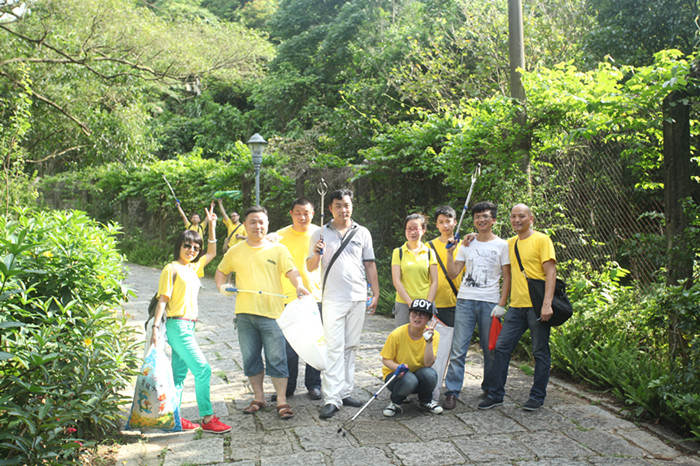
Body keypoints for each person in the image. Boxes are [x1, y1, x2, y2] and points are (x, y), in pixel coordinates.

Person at [215, 206, 310, 420]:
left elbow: (292, 271)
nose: (257, 226)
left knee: (277, 358)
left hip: (273, 315)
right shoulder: (235, 250)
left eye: (261, 222)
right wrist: (222, 287)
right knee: (250, 358)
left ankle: (282, 400)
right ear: (245, 225)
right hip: (244, 315)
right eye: (252, 222)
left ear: (267, 224)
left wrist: (299, 285)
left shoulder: (278, 249)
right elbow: (220, 271)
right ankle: (258, 397)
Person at [150, 206, 231, 433]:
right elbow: (163, 299)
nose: (192, 250)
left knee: (178, 376)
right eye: (187, 245)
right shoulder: (171, 268)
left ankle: (173, 418)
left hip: (189, 325)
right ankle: (207, 418)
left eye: (196, 247)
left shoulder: (194, 268)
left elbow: (212, 253)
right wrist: (155, 327)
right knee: (203, 369)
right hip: (178, 325)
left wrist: (212, 226)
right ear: (179, 246)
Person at [307, 189, 379, 420]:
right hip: (332, 299)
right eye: (338, 205)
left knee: (351, 346)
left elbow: (370, 264)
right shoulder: (319, 234)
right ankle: (331, 397)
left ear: (352, 206)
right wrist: (317, 254)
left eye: (346, 205)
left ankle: (345, 391)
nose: (343, 210)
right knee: (334, 347)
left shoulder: (362, 232)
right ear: (330, 208)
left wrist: (375, 292)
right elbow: (310, 266)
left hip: (357, 296)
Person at [477, 203, 556, 412]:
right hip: (516, 307)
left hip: (537, 306)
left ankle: (537, 396)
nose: (517, 220)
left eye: (521, 216)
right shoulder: (509, 244)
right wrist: (472, 236)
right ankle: (496, 394)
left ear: (531, 219)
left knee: (540, 351)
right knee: (501, 348)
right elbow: (489, 242)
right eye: (513, 216)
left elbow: (551, 272)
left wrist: (547, 304)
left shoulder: (542, 240)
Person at [443, 201, 511, 410]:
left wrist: (502, 303)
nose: (481, 220)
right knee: (458, 349)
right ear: (473, 221)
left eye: (485, 216)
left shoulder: (502, 245)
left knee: (490, 349)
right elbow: (453, 273)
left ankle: (489, 387)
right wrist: (449, 252)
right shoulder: (467, 244)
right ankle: (452, 391)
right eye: (478, 217)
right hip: (465, 300)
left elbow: (507, 276)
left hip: (490, 302)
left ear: (494, 220)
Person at [276, 197, 323, 401]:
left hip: (316, 295)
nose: (302, 217)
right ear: (291, 214)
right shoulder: (279, 236)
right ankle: (288, 387)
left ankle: (314, 385)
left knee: (315, 341)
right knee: (290, 345)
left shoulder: (320, 233)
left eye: (306, 213)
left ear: (313, 214)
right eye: (298, 213)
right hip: (288, 295)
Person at [425, 205, 463, 403]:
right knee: (434, 349)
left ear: (455, 222)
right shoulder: (428, 246)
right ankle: (431, 386)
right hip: (434, 304)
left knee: (455, 350)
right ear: (436, 225)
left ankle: (452, 390)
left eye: (448, 221)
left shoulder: (464, 244)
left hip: (457, 303)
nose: (445, 225)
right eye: (441, 222)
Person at [380, 298, 443, 417]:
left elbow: (428, 363)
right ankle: (395, 401)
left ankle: (425, 401)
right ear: (409, 314)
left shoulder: (434, 335)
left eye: (422, 315)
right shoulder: (397, 334)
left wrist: (429, 341)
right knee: (409, 380)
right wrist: (398, 367)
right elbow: (385, 359)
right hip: (396, 375)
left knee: (430, 374)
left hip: (419, 373)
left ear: (429, 319)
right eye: (414, 313)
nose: (417, 317)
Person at [391, 213, 438, 326]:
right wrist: (410, 303)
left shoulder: (430, 253)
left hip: (425, 301)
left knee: (426, 335)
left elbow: (435, 282)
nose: (412, 232)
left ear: (423, 230)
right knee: (403, 335)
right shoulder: (398, 252)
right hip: (403, 303)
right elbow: (396, 281)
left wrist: (427, 304)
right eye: (409, 229)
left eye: (416, 228)